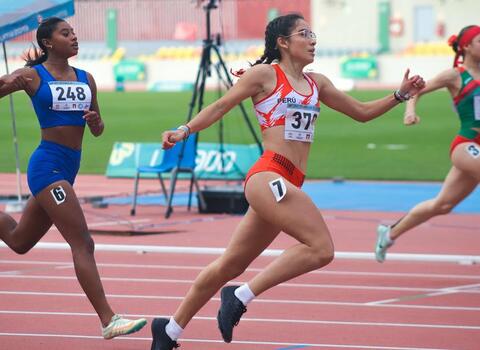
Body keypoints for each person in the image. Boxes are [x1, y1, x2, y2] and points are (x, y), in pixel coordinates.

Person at [150, 13, 425, 349]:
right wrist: (183, 130)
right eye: (304, 34)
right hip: (269, 174)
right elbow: (222, 105)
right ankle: (240, 295)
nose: (313, 40)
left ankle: (169, 331)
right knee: (321, 248)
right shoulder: (265, 74)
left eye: (313, 34)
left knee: (230, 263)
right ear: (283, 42)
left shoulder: (317, 83)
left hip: (289, 181)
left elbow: (361, 112)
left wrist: (399, 95)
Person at [0, 17, 147, 338]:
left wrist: (95, 120)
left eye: (74, 33)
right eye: (65, 34)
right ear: (48, 43)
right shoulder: (32, 76)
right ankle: (109, 319)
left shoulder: (86, 78)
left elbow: (97, 128)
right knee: (82, 241)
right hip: (47, 166)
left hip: (70, 166)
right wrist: (8, 79)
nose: (74, 37)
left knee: (19, 241)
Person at [374, 25, 480, 281]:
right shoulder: (454, 75)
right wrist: (410, 111)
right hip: (465, 146)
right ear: (466, 46)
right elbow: (415, 91)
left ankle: (389, 233)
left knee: (442, 204)